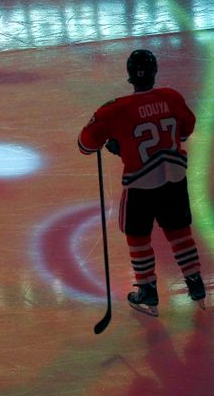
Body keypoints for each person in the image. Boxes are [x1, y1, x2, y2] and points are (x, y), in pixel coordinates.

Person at [78, 49, 206, 316]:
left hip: (141, 183)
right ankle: (196, 285)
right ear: (155, 72)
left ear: (129, 76)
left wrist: (117, 143)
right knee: (179, 231)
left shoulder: (114, 109)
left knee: (137, 235)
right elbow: (186, 130)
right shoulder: (171, 97)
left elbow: (85, 145)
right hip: (174, 177)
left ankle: (148, 290)